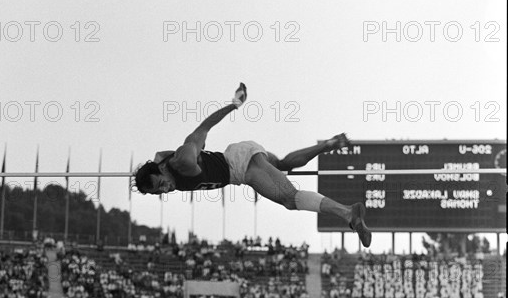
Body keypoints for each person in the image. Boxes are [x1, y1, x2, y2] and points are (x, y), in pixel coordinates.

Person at [133, 83, 371, 247]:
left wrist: (234, 104)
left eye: (161, 183)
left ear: (163, 169)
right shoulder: (162, 167)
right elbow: (158, 156)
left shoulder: (184, 157)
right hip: (240, 160)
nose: (166, 189)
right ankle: (328, 144)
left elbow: (205, 127)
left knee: (289, 198)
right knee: (284, 164)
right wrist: (154, 171)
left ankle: (348, 212)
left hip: (240, 164)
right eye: (159, 192)